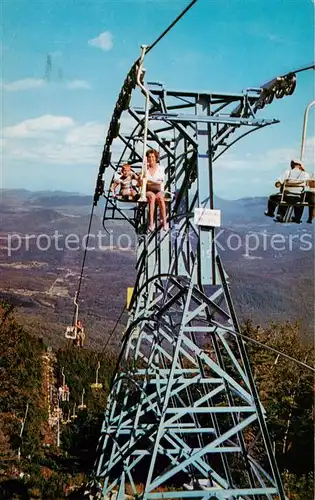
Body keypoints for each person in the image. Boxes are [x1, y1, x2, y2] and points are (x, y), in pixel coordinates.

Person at [144, 149, 168, 231]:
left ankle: (164, 222)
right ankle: (151, 222)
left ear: (156, 158)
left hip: (158, 189)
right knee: (152, 197)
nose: (151, 159)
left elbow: (160, 180)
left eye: (153, 157)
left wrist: (149, 181)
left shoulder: (161, 168)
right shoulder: (145, 169)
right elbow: (143, 181)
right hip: (149, 190)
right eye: (149, 157)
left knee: (161, 198)